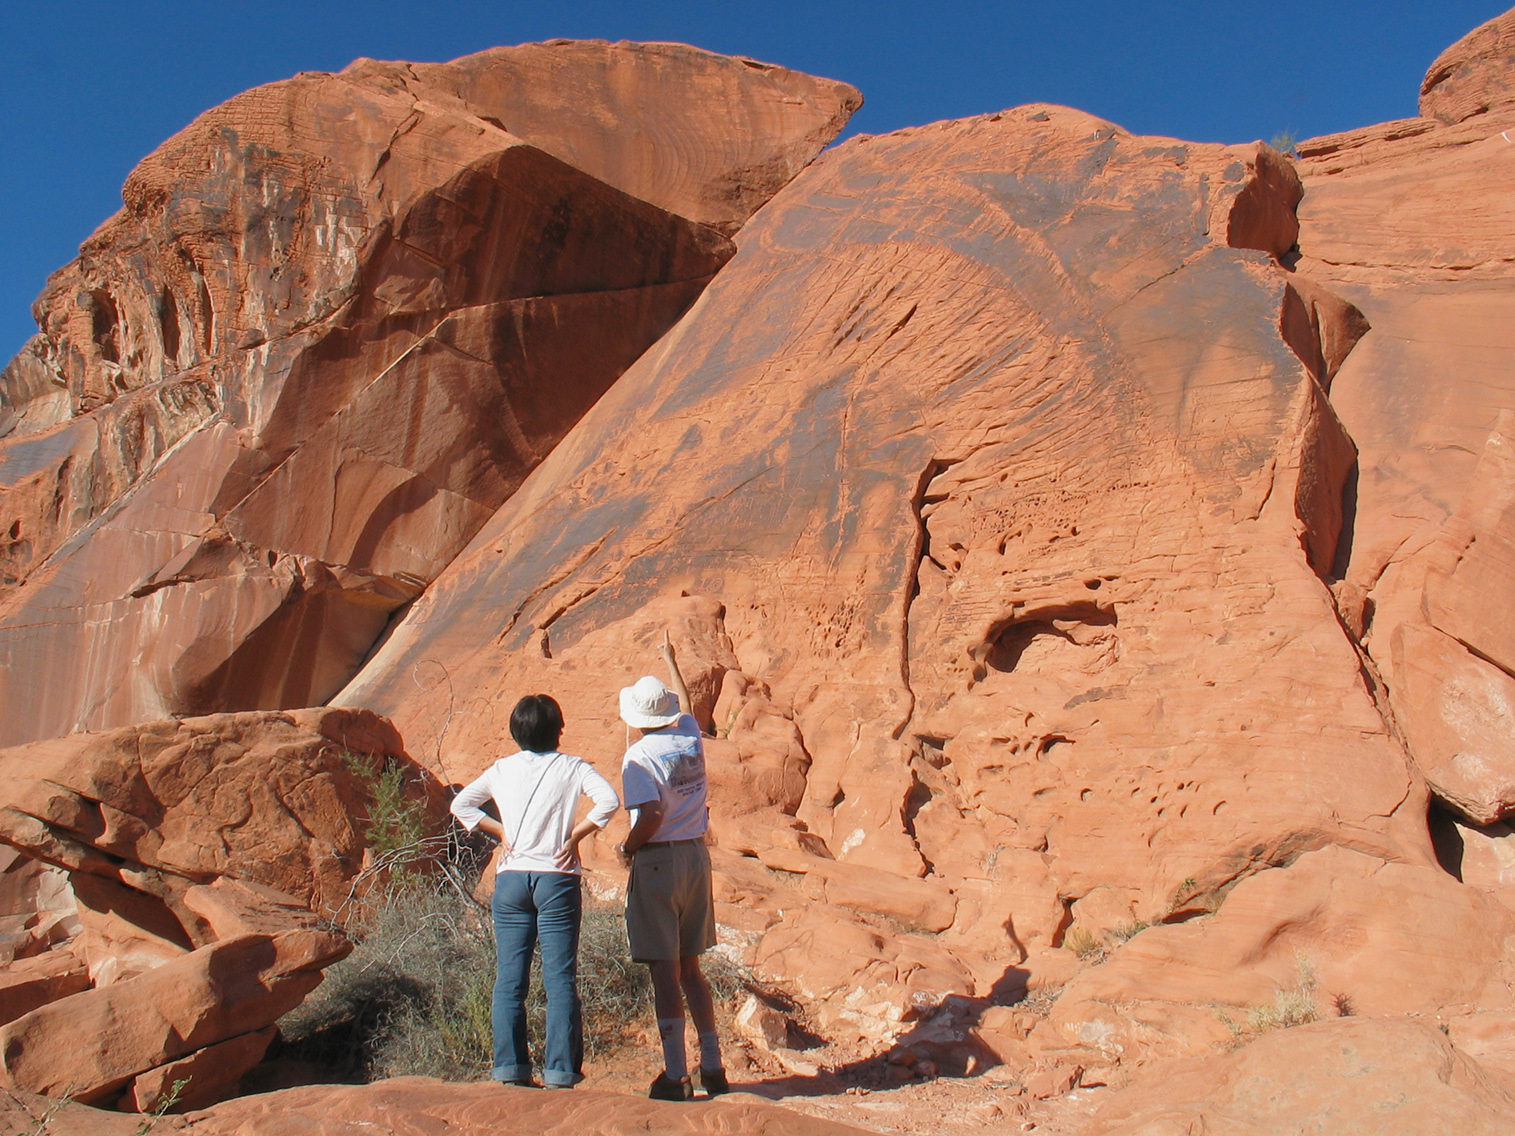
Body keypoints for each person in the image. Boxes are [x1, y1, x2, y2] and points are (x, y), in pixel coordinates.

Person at [450, 694, 619, 1089]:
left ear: (516, 731)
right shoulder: (573, 767)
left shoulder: (501, 768)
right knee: (559, 979)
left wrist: (500, 832)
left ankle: (510, 1071)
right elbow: (609, 801)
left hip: (511, 878)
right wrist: (575, 835)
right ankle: (560, 1072)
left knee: (510, 980)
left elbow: (462, 804)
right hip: (556, 877)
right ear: (558, 730)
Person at [615, 633, 729, 1101]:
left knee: (664, 971)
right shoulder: (688, 736)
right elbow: (684, 704)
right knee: (691, 968)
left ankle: (676, 1073)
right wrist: (670, 659)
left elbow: (651, 815)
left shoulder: (638, 757)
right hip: (696, 857)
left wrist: (627, 848)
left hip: (659, 860)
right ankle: (714, 1067)